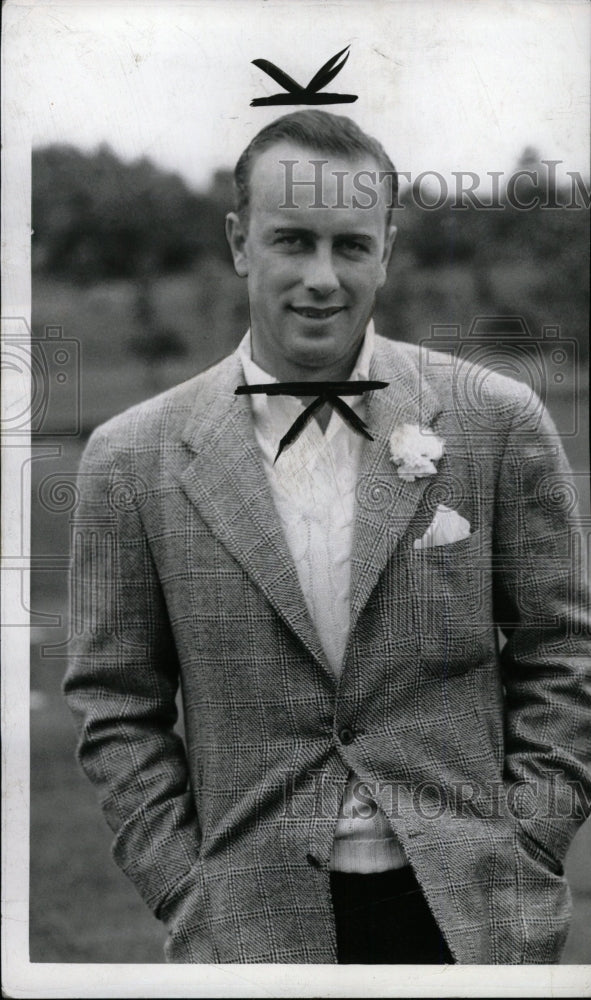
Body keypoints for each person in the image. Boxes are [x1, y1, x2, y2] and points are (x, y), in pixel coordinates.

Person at [64, 110, 591, 965]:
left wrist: (527, 841)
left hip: (470, 920)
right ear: (240, 242)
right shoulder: (130, 458)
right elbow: (116, 700)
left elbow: (562, 653)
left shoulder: (494, 420)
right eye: (291, 240)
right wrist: (181, 883)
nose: (321, 277)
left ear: (387, 247)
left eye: (350, 245)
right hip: (248, 928)